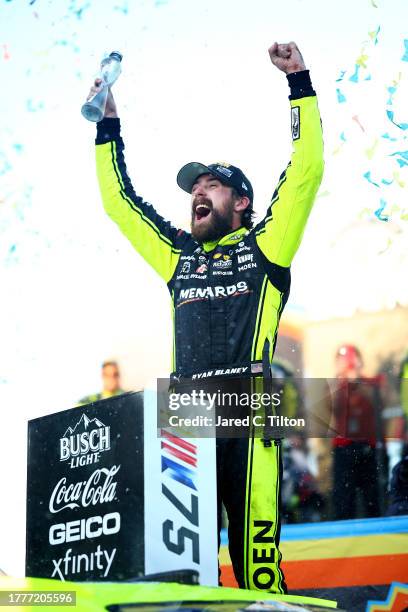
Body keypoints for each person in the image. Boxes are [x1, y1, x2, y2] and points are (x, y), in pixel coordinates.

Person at [89, 41, 324, 593]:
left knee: (255, 568)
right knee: (185, 570)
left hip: (251, 407)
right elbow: (119, 204)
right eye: (194, 187)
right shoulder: (178, 255)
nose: (197, 191)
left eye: (211, 185)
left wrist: (300, 86)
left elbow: (307, 170)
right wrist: (107, 130)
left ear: (241, 201)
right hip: (186, 415)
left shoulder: (269, 245)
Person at [332, 345, 385, 519]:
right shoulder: (335, 386)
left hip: (368, 447)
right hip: (344, 448)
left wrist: (358, 383)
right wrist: (345, 384)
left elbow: (379, 403)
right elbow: (332, 407)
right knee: (344, 499)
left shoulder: (370, 384)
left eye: (348, 360)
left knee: (372, 497)